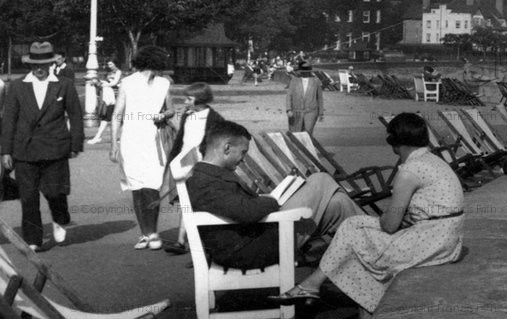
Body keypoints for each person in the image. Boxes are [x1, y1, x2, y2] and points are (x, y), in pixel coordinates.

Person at [270, 113, 465, 319]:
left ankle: (334, 295)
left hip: (431, 242)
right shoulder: (433, 161)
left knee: (355, 239)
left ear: (393, 142)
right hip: (446, 238)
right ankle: (326, 292)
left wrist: (388, 220)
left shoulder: (409, 172)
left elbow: (390, 225)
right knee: (353, 227)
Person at [185, 120, 364, 270]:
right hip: (249, 249)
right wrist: (272, 200)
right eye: (243, 152)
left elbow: (241, 207)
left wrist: (266, 201)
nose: (243, 159)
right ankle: (376, 247)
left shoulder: (209, 175)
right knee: (321, 179)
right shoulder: (203, 182)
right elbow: (246, 212)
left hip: (257, 235)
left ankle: (369, 252)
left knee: (338, 204)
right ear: (226, 148)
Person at [0, 42, 84, 251]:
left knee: (55, 192)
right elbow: (9, 120)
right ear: (30, 65)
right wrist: (6, 151)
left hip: (55, 148)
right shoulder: (17, 86)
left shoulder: (64, 84)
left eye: (43, 64)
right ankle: (33, 239)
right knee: (28, 197)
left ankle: (59, 218)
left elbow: (75, 115)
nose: (39, 69)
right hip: (24, 150)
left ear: (50, 63)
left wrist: (76, 143)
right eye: (35, 64)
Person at [110, 45, 173, 250]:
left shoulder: (164, 83)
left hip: (154, 140)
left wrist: (163, 115)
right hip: (131, 139)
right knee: (137, 188)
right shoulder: (127, 83)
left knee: (153, 186)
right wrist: (113, 144)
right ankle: (145, 234)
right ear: (154, 62)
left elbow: (171, 110)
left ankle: (153, 232)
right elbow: (117, 115)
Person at [164, 82, 224, 254]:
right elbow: (180, 139)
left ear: (200, 99)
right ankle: (181, 241)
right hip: (183, 162)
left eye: (189, 98)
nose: (185, 101)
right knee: (185, 202)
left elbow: (217, 144)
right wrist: (172, 160)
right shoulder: (187, 115)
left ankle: (196, 245)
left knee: (197, 203)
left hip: (201, 164)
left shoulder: (214, 118)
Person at [88, 59, 122, 144]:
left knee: (110, 118)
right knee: (108, 117)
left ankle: (98, 136)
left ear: (115, 64)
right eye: (108, 64)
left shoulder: (119, 72)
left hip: (117, 97)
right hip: (110, 98)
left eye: (111, 64)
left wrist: (104, 84)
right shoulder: (108, 73)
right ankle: (98, 136)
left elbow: (114, 83)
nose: (109, 66)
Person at [286, 61, 323, 135]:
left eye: (306, 71)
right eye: (303, 71)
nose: (304, 73)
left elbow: (319, 97)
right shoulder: (294, 80)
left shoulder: (316, 81)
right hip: (296, 110)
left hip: (311, 111)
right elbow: (289, 95)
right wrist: (288, 109)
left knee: (308, 133)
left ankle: (307, 146)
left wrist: (321, 113)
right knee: (295, 134)